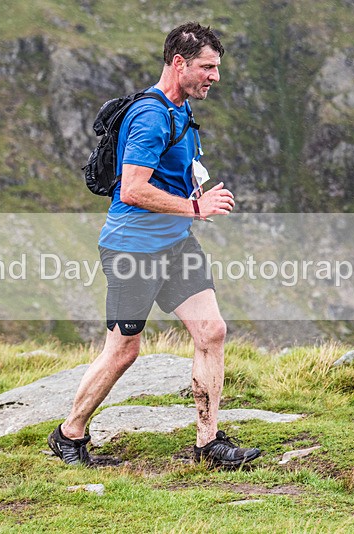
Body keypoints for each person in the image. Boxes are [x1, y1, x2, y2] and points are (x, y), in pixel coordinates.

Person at [48, 22, 261, 468]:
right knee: (124, 350)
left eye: (216, 68)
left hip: (175, 244)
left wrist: (193, 198)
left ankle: (208, 443)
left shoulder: (181, 110)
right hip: (133, 249)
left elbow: (169, 177)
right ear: (179, 63)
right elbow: (131, 190)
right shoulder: (150, 116)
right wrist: (195, 208)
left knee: (212, 331)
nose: (215, 76)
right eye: (207, 67)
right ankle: (69, 434)